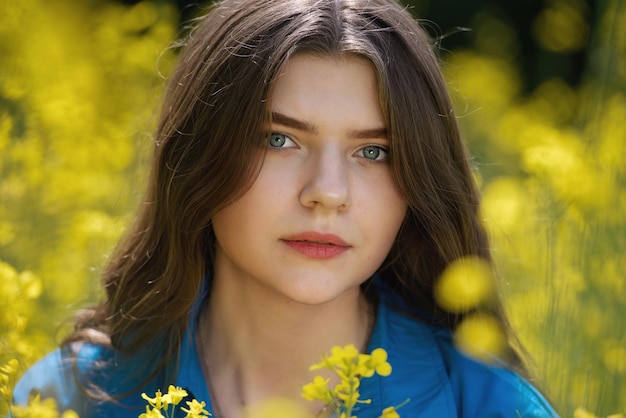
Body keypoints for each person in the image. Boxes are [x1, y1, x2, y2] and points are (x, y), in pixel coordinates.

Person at [12, 0, 558, 416]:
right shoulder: (68, 397)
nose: (327, 192)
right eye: (280, 140)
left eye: (373, 151)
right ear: (200, 155)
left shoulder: (489, 405)